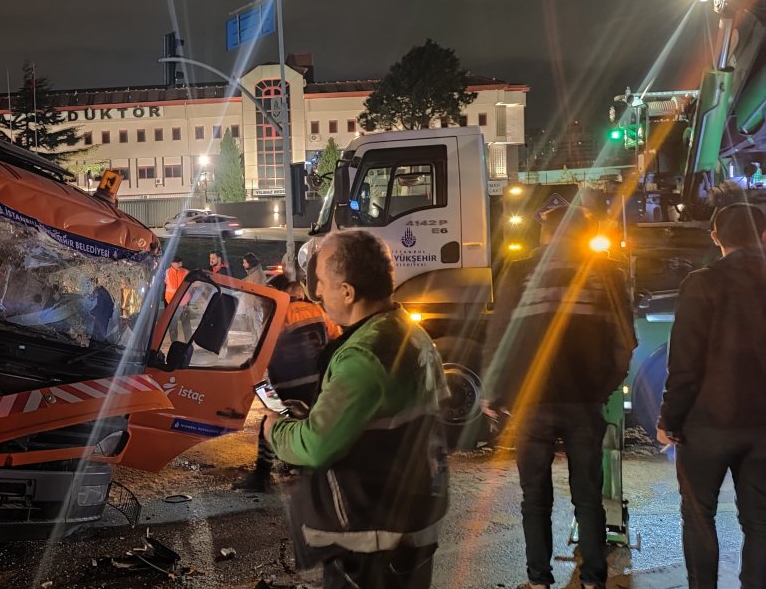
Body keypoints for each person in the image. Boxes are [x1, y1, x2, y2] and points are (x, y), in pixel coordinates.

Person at [266, 229, 448, 589]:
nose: (316, 292)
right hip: (414, 514)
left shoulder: (364, 355)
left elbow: (316, 445)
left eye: (321, 282)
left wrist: (274, 429)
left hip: (374, 535)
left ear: (347, 292)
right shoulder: (406, 330)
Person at [482, 205, 634, 589]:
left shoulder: (519, 272)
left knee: (535, 497)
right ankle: (594, 579)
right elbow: (624, 343)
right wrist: (604, 387)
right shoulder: (607, 273)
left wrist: (495, 392)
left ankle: (539, 580)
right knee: (588, 497)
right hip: (584, 404)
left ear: (544, 235)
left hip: (533, 404)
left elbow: (501, 336)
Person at [658, 203, 766, 589]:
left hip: (705, 427)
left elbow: (685, 362)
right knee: (760, 522)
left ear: (716, 236)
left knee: (700, 518)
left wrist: (669, 419)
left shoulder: (701, 282)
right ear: (764, 235)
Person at [234, 276, 340, 492]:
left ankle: (261, 476)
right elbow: (335, 339)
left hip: (285, 383)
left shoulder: (278, 314)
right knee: (309, 422)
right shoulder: (319, 311)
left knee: (269, 423)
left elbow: (263, 352)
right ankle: (298, 466)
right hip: (317, 382)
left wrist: (256, 382)